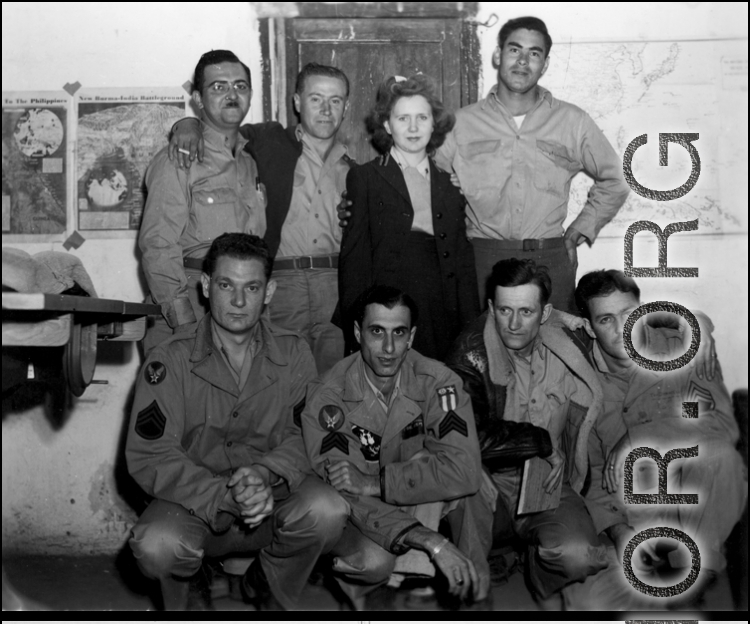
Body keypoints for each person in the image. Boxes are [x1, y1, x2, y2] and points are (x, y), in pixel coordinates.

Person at [126, 232, 349, 612]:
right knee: (157, 546)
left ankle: (267, 584)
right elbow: (151, 454)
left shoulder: (295, 353)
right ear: (207, 285)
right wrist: (222, 496)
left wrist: (264, 473)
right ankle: (190, 582)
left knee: (328, 511)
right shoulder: (171, 358)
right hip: (194, 506)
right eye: (227, 285)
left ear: (270, 290)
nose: (240, 301)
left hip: (270, 502)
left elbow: (308, 437)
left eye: (253, 287)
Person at [563, 269, 747, 609]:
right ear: (588, 327)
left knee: (722, 458)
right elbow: (591, 471)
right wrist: (618, 532)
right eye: (606, 320)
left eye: (629, 314)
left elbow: (719, 423)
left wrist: (639, 436)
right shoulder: (580, 382)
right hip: (632, 510)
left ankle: (696, 573)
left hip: (689, 497)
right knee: (588, 603)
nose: (623, 330)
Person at [301, 284, 494, 608]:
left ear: (412, 336)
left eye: (399, 333)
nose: (389, 347)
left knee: (470, 486)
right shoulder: (329, 396)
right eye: (377, 331)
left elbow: (465, 471)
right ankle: (384, 594)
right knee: (373, 563)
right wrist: (430, 541)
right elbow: (345, 491)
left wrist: (375, 482)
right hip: (367, 514)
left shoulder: (438, 382)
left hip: (411, 495)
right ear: (358, 332)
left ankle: (473, 589)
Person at [433, 15, 628, 311]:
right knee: (480, 348)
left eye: (533, 53)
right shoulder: (460, 123)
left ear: (545, 64)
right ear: (498, 55)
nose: (522, 61)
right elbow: (429, 185)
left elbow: (616, 179)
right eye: (514, 50)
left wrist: (581, 227)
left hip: (549, 258)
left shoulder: (572, 121)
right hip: (481, 257)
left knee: (556, 347)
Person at [170, 63, 353, 375]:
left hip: (334, 287)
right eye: (315, 99)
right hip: (282, 285)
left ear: (346, 106)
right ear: (297, 102)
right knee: (276, 381)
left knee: (331, 385)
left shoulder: (354, 168)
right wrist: (187, 124)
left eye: (335, 101)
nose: (326, 110)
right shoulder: (268, 140)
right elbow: (221, 127)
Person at [448, 257, 609, 609]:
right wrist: (541, 442)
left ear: (545, 312)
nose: (514, 324)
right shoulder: (469, 353)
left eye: (526, 312)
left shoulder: (569, 349)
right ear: (491, 307)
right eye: (504, 311)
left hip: (546, 481)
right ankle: (475, 603)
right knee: (465, 489)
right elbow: (467, 437)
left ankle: (538, 575)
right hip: (487, 481)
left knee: (579, 555)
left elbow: (616, 361)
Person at [338, 73, 478, 360]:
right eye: (403, 119)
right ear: (388, 125)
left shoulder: (450, 184)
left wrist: (470, 327)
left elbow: (462, 263)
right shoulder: (365, 177)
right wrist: (357, 327)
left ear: (433, 123)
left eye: (422, 118)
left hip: (441, 303)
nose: (413, 127)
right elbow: (355, 260)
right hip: (388, 306)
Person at [140, 49, 266, 353]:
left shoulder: (249, 162)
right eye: (218, 87)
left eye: (240, 86)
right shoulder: (179, 157)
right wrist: (182, 319)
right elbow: (158, 244)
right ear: (197, 98)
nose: (232, 94)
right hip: (190, 306)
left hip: (240, 310)